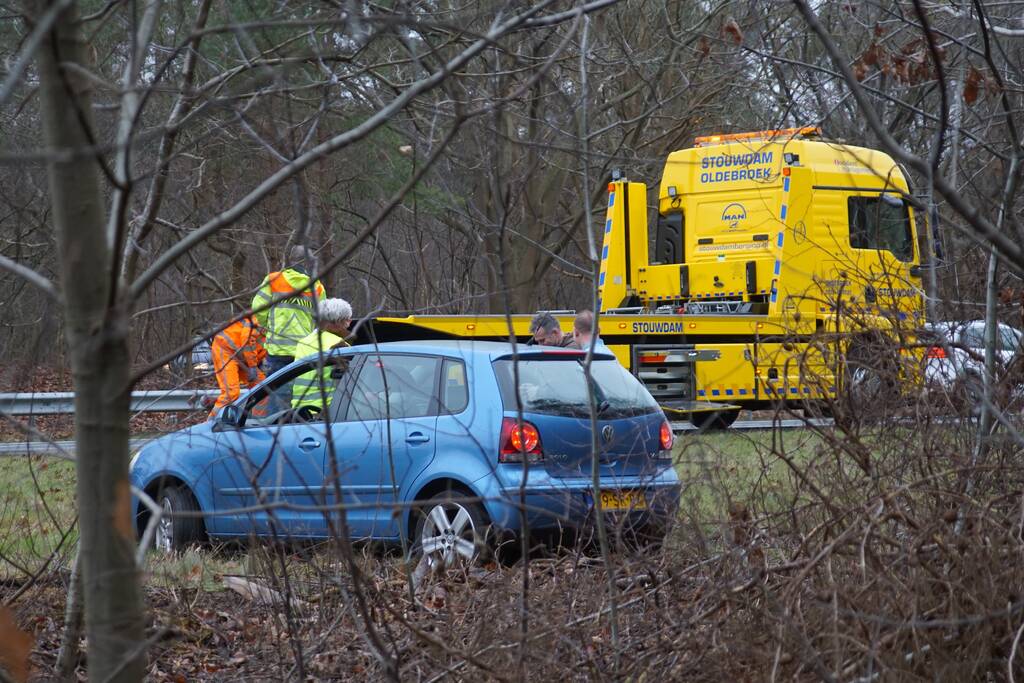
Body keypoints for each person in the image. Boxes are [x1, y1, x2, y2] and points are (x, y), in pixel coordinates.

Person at [252, 245, 327, 376]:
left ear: (290, 260)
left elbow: (258, 309)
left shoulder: (273, 280)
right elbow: (323, 319)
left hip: (278, 350)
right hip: (305, 350)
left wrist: (268, 327)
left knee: (277, 393)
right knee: (301, 391)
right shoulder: (317, 286)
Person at [291, 298, 353, 412]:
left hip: (299, 411)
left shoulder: (303, 342)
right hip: (325, 412)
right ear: (338, 321)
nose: (349, 323)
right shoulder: (340, 346)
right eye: (348, 319)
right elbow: (350, 384)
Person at [209, 316, 266, 418]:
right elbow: (247, 339)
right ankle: (209, 424)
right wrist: (253, 366)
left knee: (262, 387)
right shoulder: (260, 320)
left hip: (242, 357)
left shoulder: (276, 331)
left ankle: (258, 422)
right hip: (225, 348)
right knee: (230, 394)